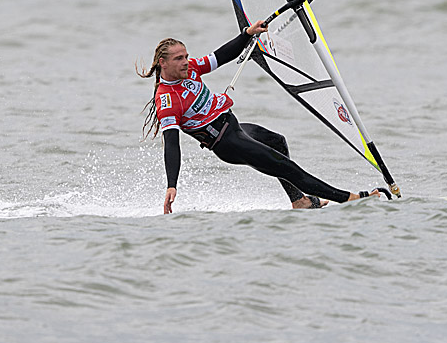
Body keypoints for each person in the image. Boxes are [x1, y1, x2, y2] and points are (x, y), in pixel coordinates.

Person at [137, 20, 391, 213]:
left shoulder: (191, 69)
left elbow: (221, 56)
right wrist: (172, 184)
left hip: (234, 126)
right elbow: (172, 144)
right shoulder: (167, 101)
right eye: (179, 59)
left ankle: (299, 201)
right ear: (163, 63)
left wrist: (247, 34)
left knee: (277, 142)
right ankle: (351, 200)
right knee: (288, 169)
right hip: (227, 143)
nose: (185, 61)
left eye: (186, 56)